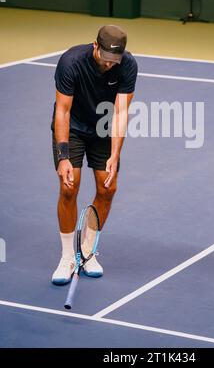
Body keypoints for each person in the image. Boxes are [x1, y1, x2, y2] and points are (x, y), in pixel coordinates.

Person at [51, 25, 138, 285]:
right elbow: (62, 112)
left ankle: (87, 252)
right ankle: (67, 257)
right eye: (106, 59)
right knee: (69, 187)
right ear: (95, 46)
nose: (111, 66)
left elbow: (121, 112)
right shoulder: (71, 62)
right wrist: (63, 155)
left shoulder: (128, 65)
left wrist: (114, 155)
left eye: (116, 61)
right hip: (74, 127)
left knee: (107, 188)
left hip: (103, 128)